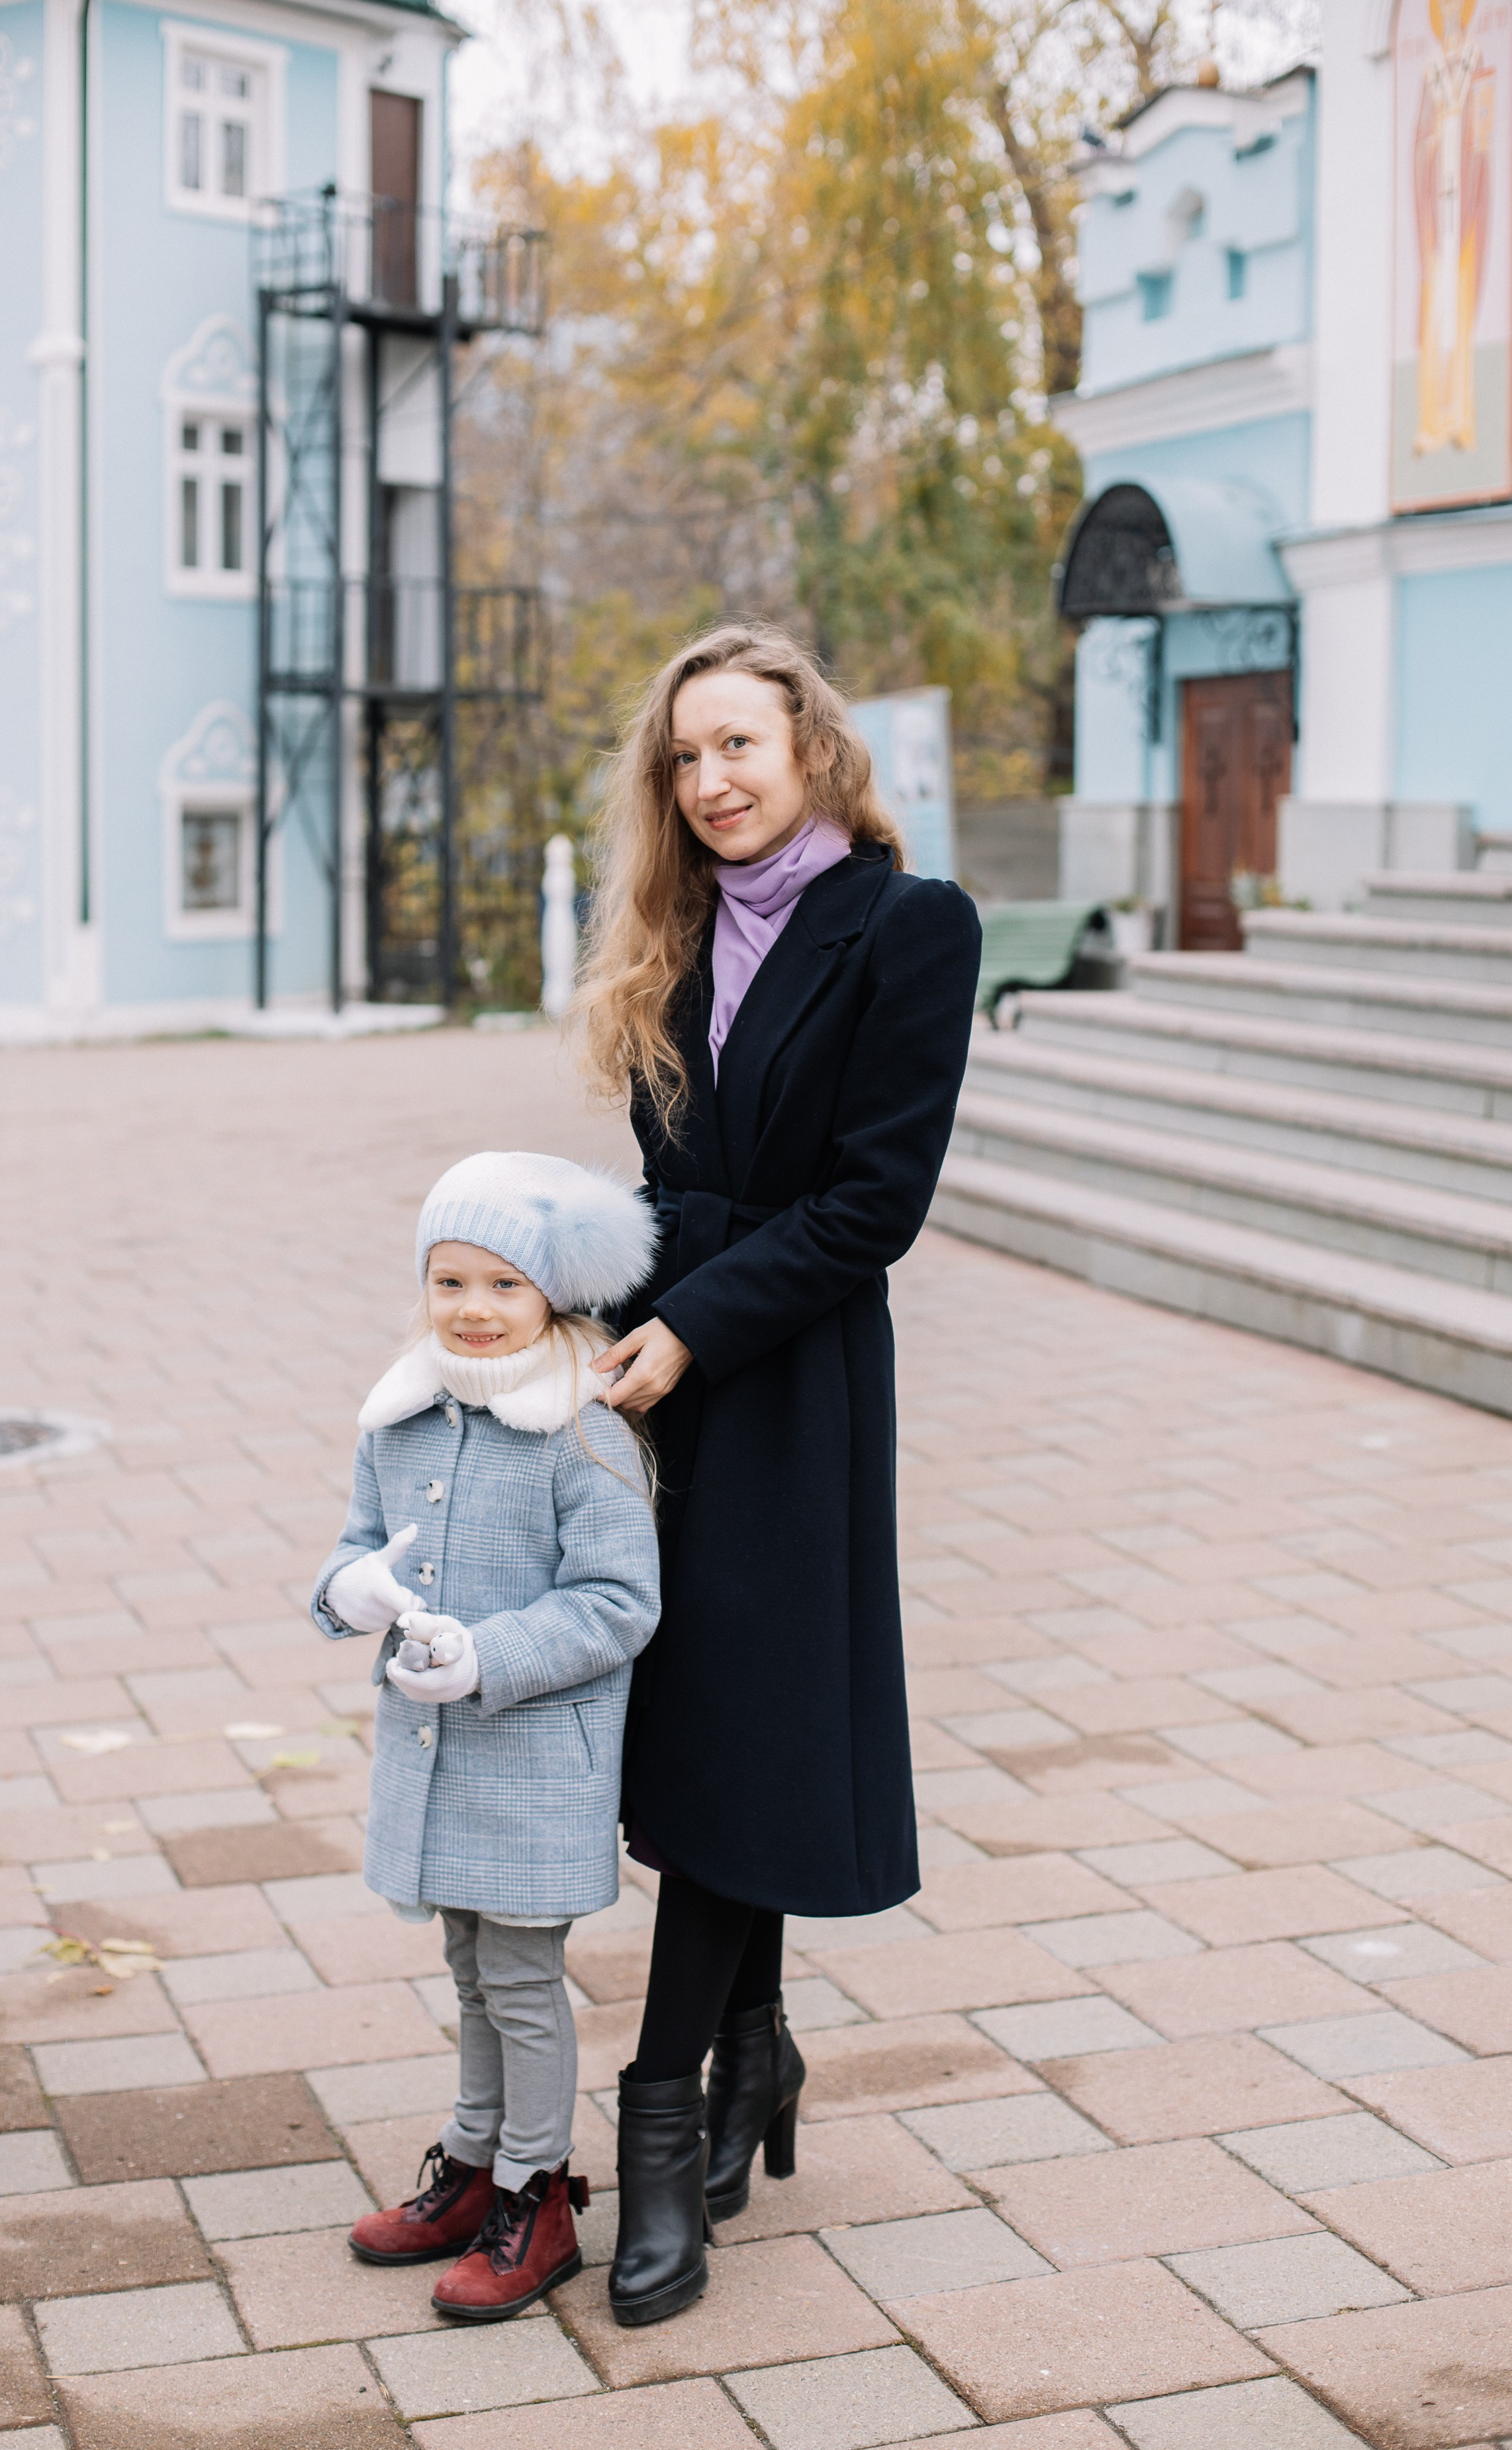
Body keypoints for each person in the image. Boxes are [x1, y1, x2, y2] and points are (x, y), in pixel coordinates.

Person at [576, 622, 981, 2327]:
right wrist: (560, 1305)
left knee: (741, 1722)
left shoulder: (907, 925)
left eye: (738, 743)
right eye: (685, 756)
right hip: (666, 1365)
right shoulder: (669, 935)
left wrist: (694, 1329)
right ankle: (758, 2045)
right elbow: (663, 1185)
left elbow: (875, 1202)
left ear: (812, 744)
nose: (712, 780)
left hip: (791, 1370)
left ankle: (661, 2118)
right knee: (697, 1722)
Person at [310, 1152, 661, 2321]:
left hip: (529, 1767)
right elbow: (356, 1544)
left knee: (518, 1982)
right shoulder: (401, 1418)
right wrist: (345, 1591)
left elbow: (619, 1602)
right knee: (467, 1973)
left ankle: (537, 2195)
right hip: (432, 1761)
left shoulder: (582, 1433)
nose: (472, 1308)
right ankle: (470, 2171)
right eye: (450, 1281)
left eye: (503, 1285)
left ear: (551, 1299)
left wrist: (489, 1656)